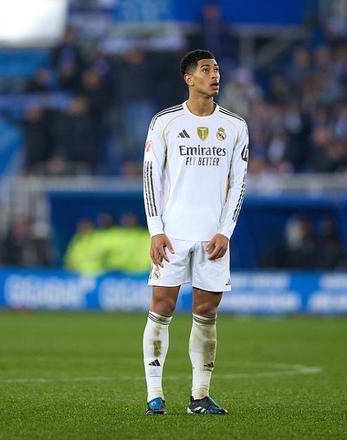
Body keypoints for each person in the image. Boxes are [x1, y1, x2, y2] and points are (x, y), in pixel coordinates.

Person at [141, 49, 248, 416]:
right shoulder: (165, 122)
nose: (214, 75)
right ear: (189, 78)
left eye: (216, 69)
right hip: (173, 234)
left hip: (212, 237)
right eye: (206, 70)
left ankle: (199, 397)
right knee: (162, 307)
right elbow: (150, 178)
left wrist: (225, 231)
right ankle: (154, 394)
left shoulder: (235, 126)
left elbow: (238, 184)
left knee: (206, 311)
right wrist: (156, 230)